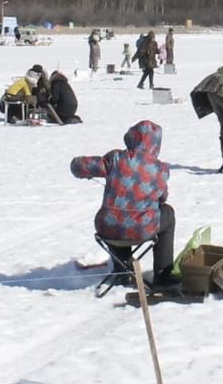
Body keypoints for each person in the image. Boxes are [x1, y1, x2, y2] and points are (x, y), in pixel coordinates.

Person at [70, 119, 177, 285]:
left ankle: (123, 270)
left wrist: (76, 163)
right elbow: (162, 198)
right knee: (167, 213)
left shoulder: (115, 158)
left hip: (107, 229)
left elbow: (79, 167)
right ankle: (163, 274)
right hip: (142, 230)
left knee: (116, 218)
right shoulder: (161, 169)